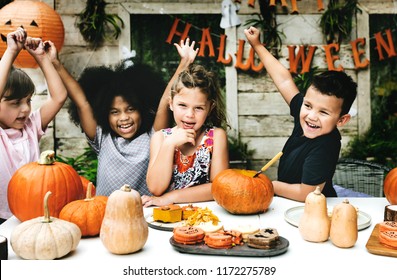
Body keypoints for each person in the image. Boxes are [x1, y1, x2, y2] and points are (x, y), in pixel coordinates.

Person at [49, 38, 199, 196]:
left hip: (144, 216)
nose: (123, 118)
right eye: (115, 112)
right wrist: (56, 63)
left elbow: (164, 101)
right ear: (104, 114)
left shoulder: (154, 136)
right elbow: (82, 103)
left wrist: (185, 62)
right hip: (105, 215)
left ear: (142, 109)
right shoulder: (102, 138)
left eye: (130, 109)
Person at [244, 26, 357, 202]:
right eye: (308, 105)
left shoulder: (327, 145)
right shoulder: (304, 115)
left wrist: (268, 185)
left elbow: (307, 193)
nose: (312, 115)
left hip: (314, 208)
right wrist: (257, 45)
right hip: (287, 203)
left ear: (341, 120)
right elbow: (283, 80)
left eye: (324, 112)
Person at [0, 27, 67, 223]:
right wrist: (11, 51)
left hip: (31, 214)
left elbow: (59, 97)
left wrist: (41, 57)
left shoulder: (30, 127)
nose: (25, 110)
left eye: (28, 101)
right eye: (15, 103)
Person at [142, 63, 229, 207]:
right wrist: (169, 144)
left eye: (199, 108)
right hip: (168, 215)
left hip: (207, 214)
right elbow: (156, 188)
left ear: (210, 108)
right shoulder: (160, 138)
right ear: (171, 104)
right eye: (182, 105)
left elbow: (219, 187)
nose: (190, 115)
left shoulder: (216, 137)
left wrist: (171, 197)